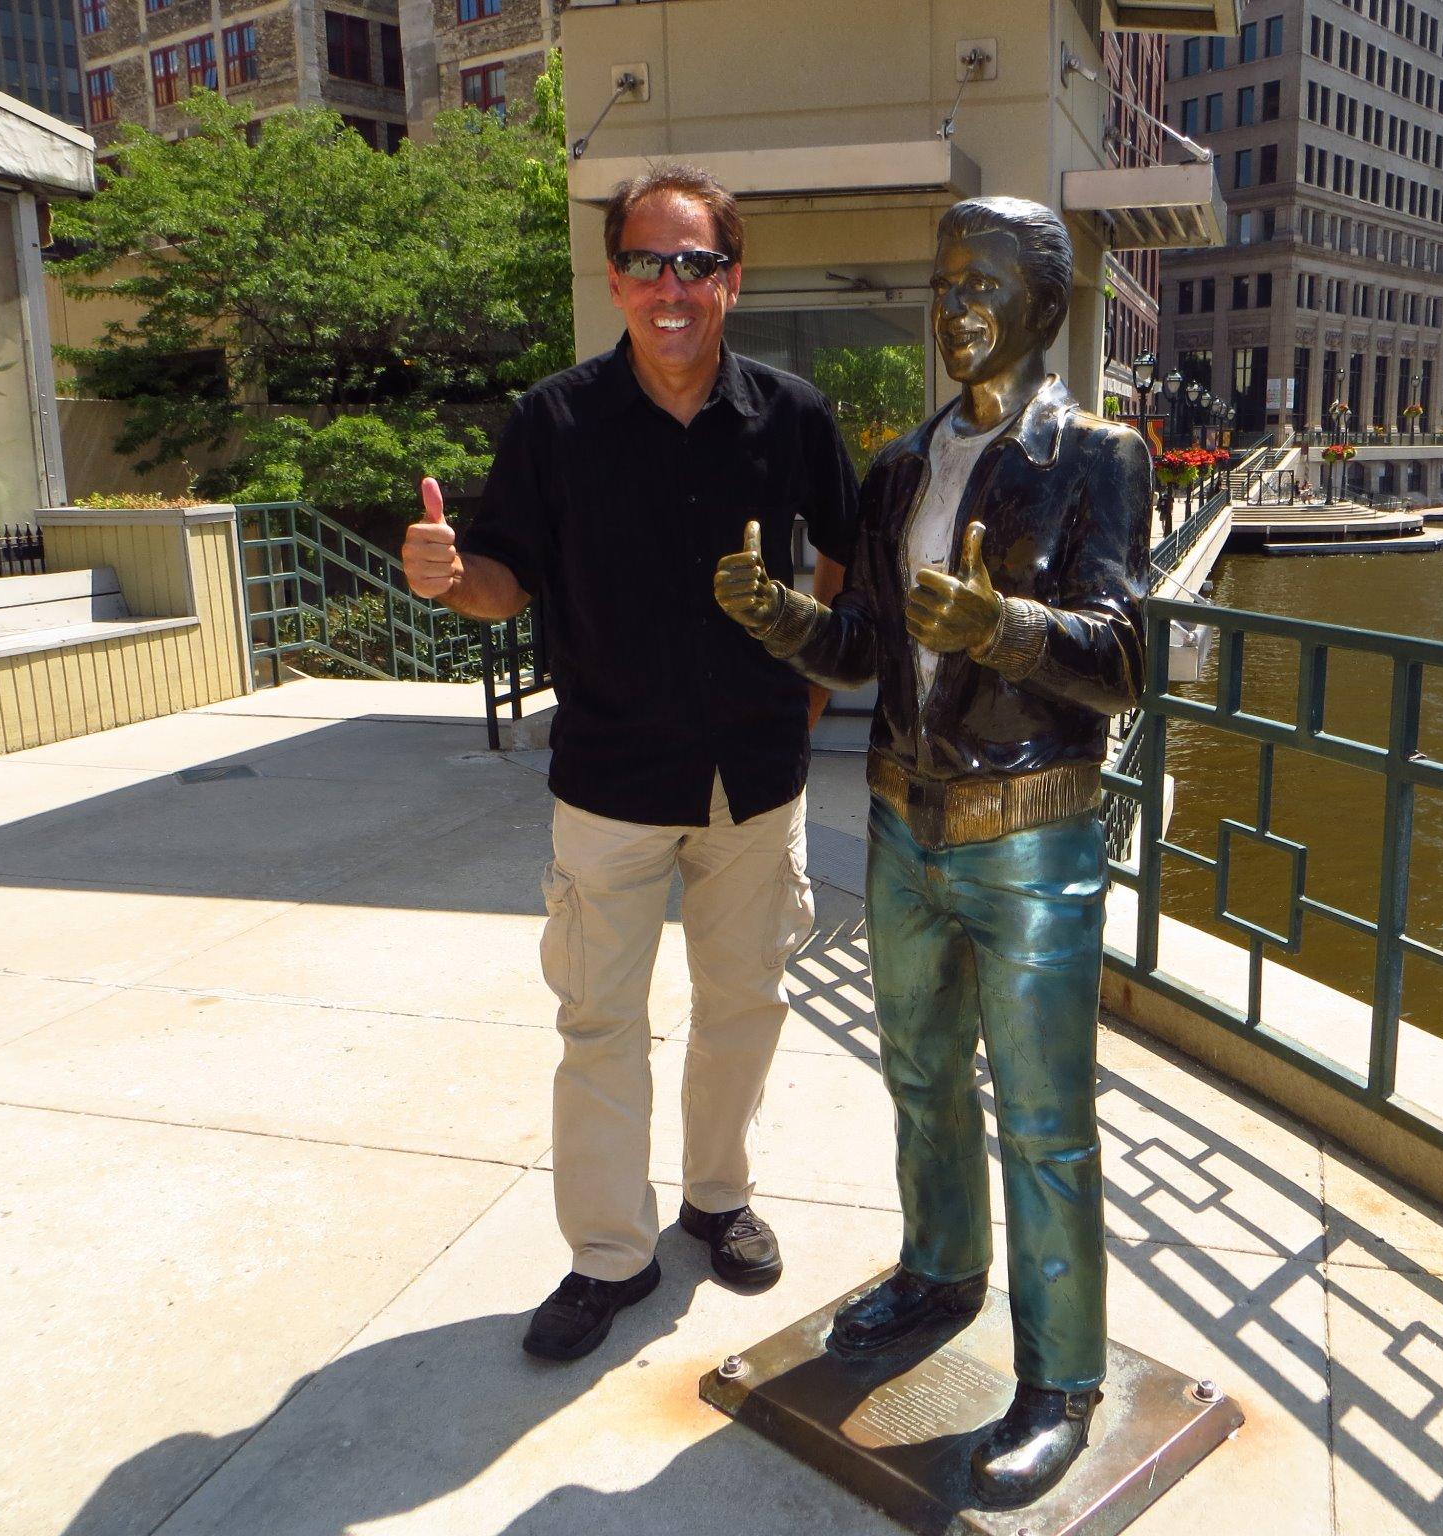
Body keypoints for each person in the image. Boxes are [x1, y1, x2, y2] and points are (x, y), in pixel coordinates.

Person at [714, 196, 1149, 1510]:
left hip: (1030, 840)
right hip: (903, 821)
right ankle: (940, 1271)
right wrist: (787, 619)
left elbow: (1126, 662)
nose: (960, 304)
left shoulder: (1098, 456)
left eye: (991, 282)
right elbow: (865, 648)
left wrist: (1005, 626)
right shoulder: (899, 464)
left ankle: (1061, 1379)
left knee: (1045, 1126)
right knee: (918, 1080)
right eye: (945, 281)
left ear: (1048, 304)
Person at [401, 163, 859, 1362]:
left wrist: (808, 680)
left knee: (744, 1004)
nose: (672, 287)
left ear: (730, 280)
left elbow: (847, 560)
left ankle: (718, 1197)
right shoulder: (554, 421)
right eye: (648, 263)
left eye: (695, 263)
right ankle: (610, 1254)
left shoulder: (792, 416)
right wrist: (454, 580)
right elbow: (505, 576)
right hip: (607, 777)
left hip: (756, 776)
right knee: (599, 1022)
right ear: (615, 279)